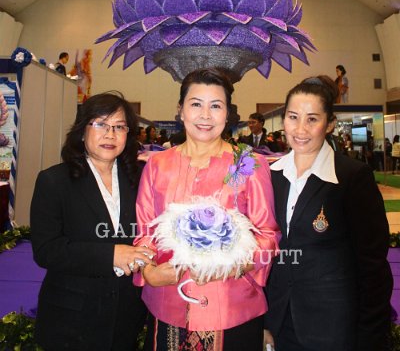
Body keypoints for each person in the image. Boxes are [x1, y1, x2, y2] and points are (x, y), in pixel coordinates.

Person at [134, 67, 280, 350]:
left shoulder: (247, 163)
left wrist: (230, 266)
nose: (205, 115)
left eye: (215, 106)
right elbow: (144, 233)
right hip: (167, 303)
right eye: (195, 104)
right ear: (180, 110)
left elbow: (268, 237)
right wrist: (149, 271)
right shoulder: (157, 165)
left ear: (227, 113)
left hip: (232, 307)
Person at [264, 75, 393, 351]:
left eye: (312, 119)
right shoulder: (271, 175)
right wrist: (264, 322)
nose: (300, 129)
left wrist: (369, 336)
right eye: (293, 117)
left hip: (333, 326)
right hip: (280, 323)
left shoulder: (351, 177)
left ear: (330, 124)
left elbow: (373, 267)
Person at [30, 92, 153, 351]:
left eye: (119, 127)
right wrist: (111, 255)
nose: (110, 134)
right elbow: (47, 250)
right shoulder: (54, 181)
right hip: (72, 318)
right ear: (82, 130)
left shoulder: (140, 179)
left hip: (126, 316)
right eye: (100, 124)